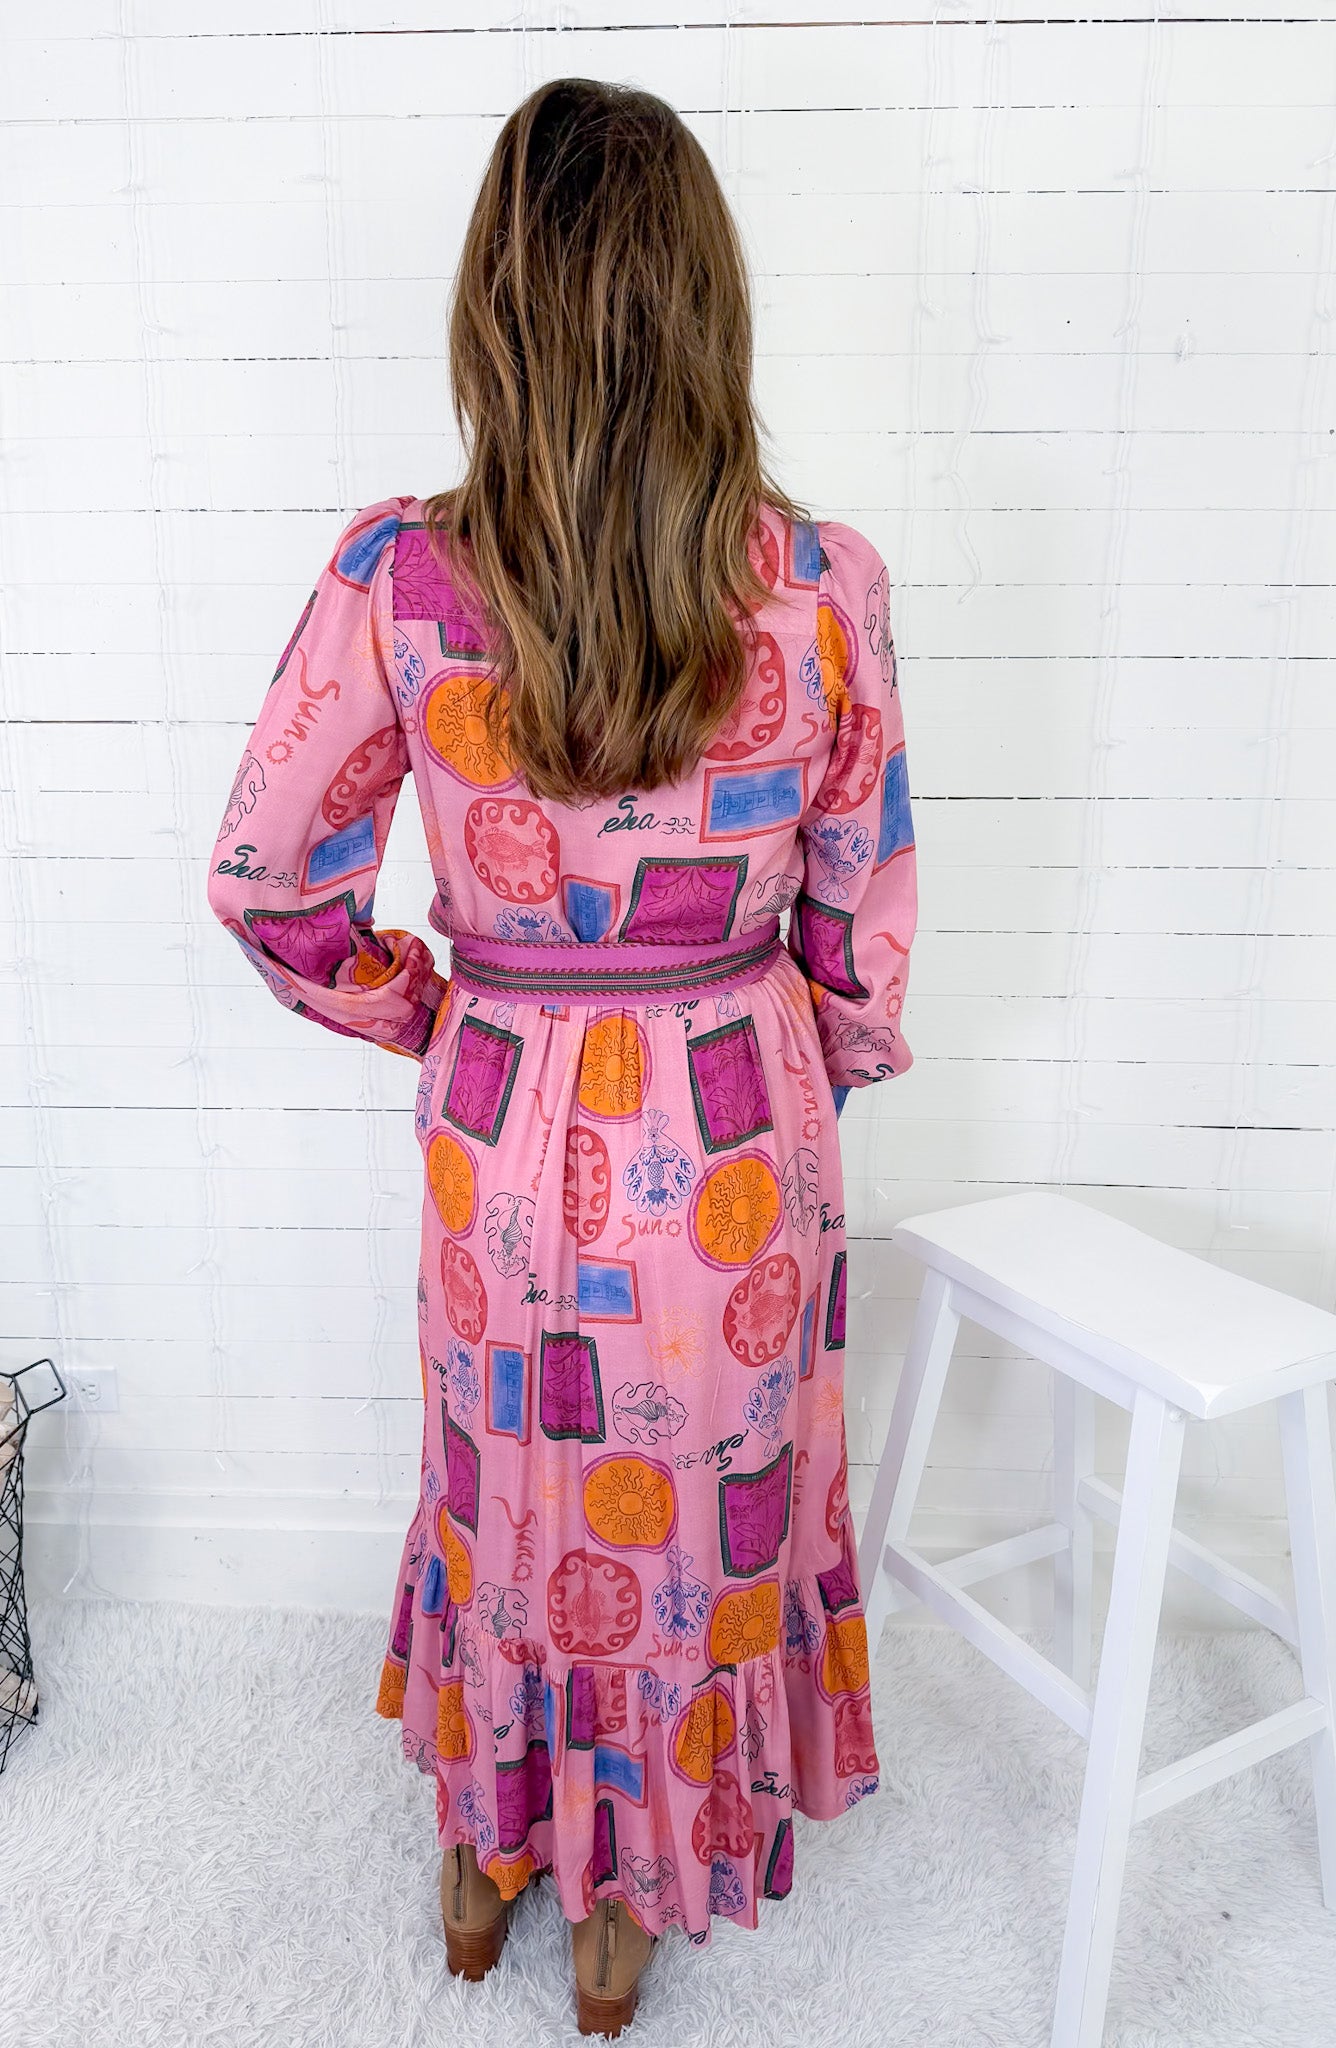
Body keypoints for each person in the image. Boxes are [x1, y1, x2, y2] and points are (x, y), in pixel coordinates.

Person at [206, 75, 917, 2039]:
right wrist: (804, 1062)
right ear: (702, 301)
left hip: (503, 1116)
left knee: (509, 1481)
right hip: (736, 1125)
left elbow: (267, 876)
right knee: (704, 1505)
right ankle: (632, 1895)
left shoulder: (398, 584)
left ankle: (488, 1846)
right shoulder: (819, 588)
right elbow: (860, 928)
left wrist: (427, 1010)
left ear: (491, 309)